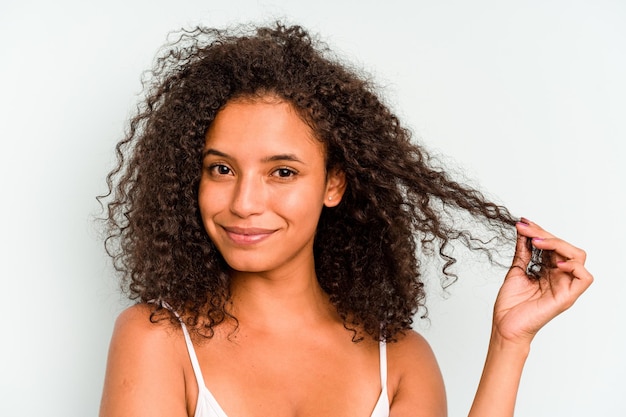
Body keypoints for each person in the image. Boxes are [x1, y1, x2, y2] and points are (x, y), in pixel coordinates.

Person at [98, 23, 593, 417]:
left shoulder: (399, 360)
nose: (244, 202)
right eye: (221, 169)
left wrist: (510, 343)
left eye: (283, 172)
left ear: (333, 184)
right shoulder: (157, 338)